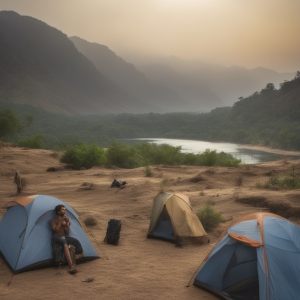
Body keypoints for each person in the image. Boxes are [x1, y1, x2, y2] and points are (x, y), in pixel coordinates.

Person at [51, 205, 78, 274]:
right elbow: (56, 230)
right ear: (58, 212)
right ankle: (70, 266)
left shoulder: (65, 220)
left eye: (65, 209)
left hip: (64, 236)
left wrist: (66, 224)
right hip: (57, 237)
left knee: (76, 242)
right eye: (63, 209)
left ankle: (73, 261)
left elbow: (67, 232)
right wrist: (61, 222)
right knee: (64, 243)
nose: (64, 210)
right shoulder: (53, 221)